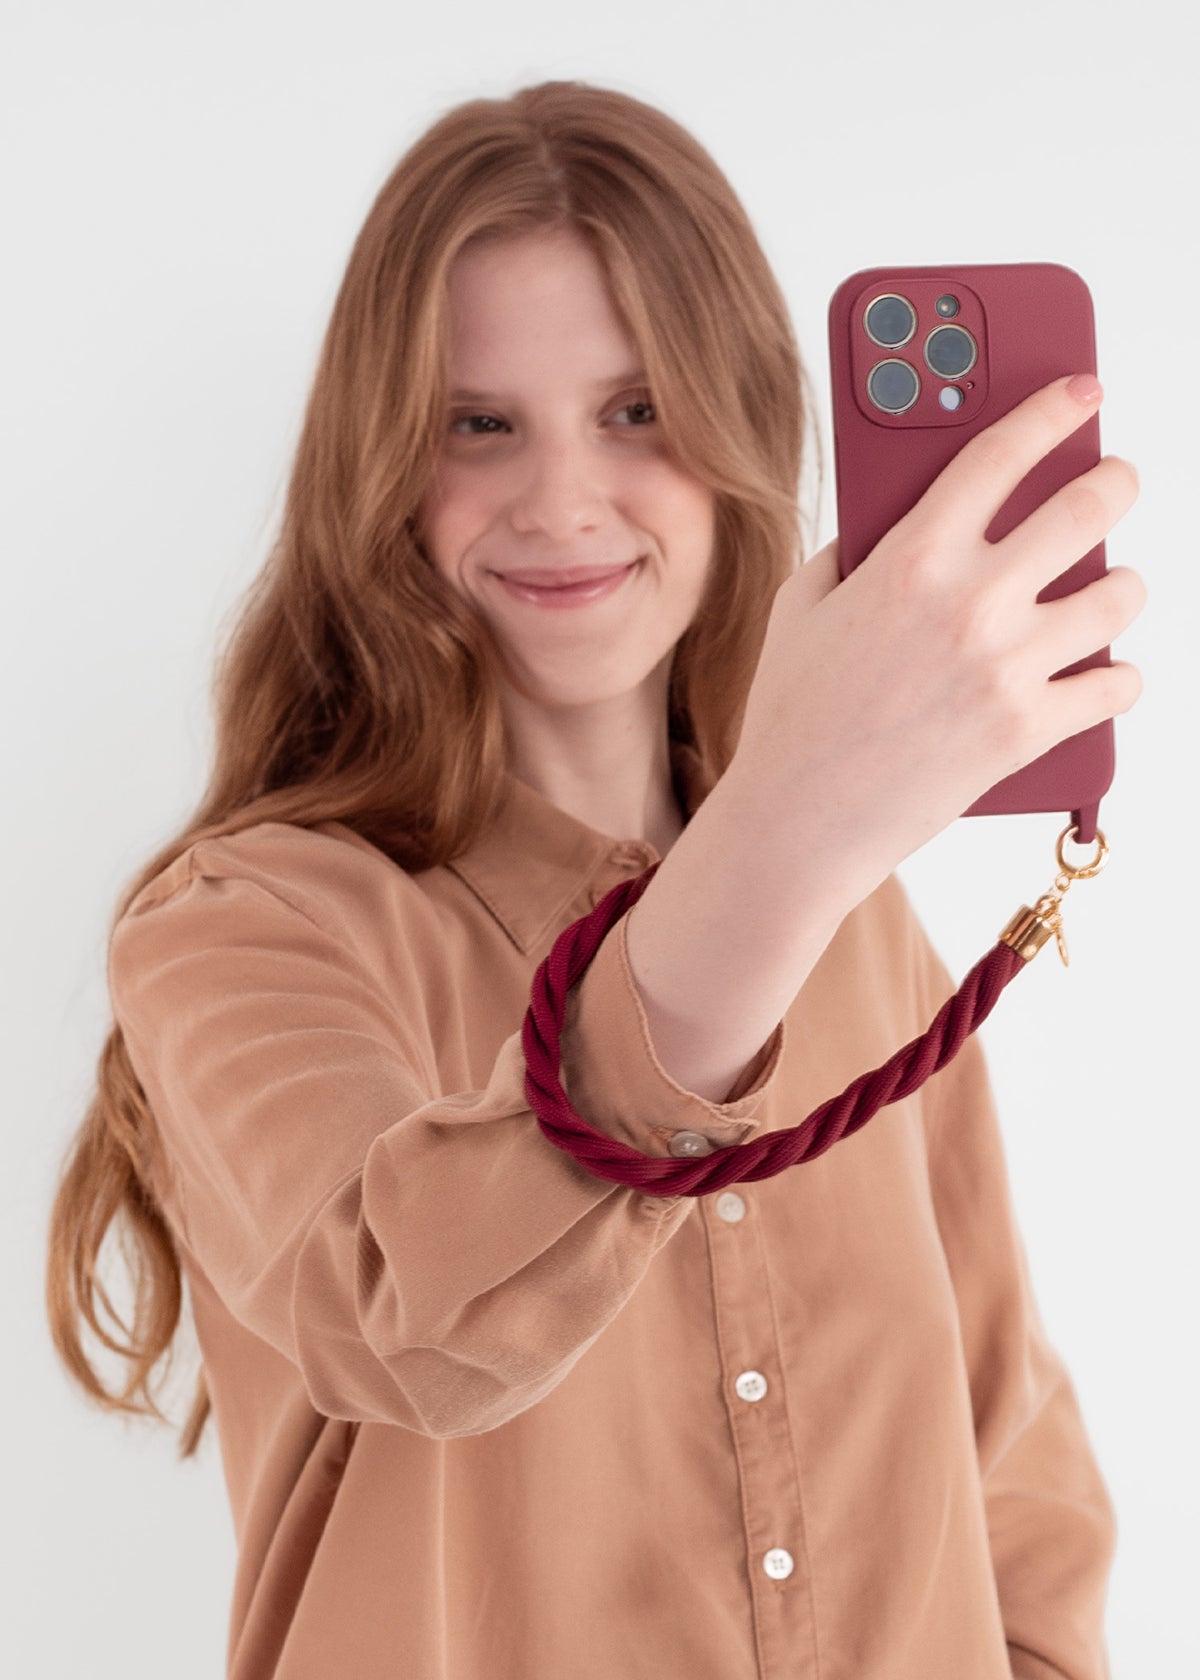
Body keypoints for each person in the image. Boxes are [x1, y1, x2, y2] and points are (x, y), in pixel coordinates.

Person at [45, 79, 1145, 1680]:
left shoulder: (858, 916)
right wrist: (784, 838)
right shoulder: (243, 926)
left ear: (740, 428)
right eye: (477, 424)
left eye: (637, 411)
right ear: (380, 465)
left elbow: (1011, 1455)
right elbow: (403, 1321)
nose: (562, 502)